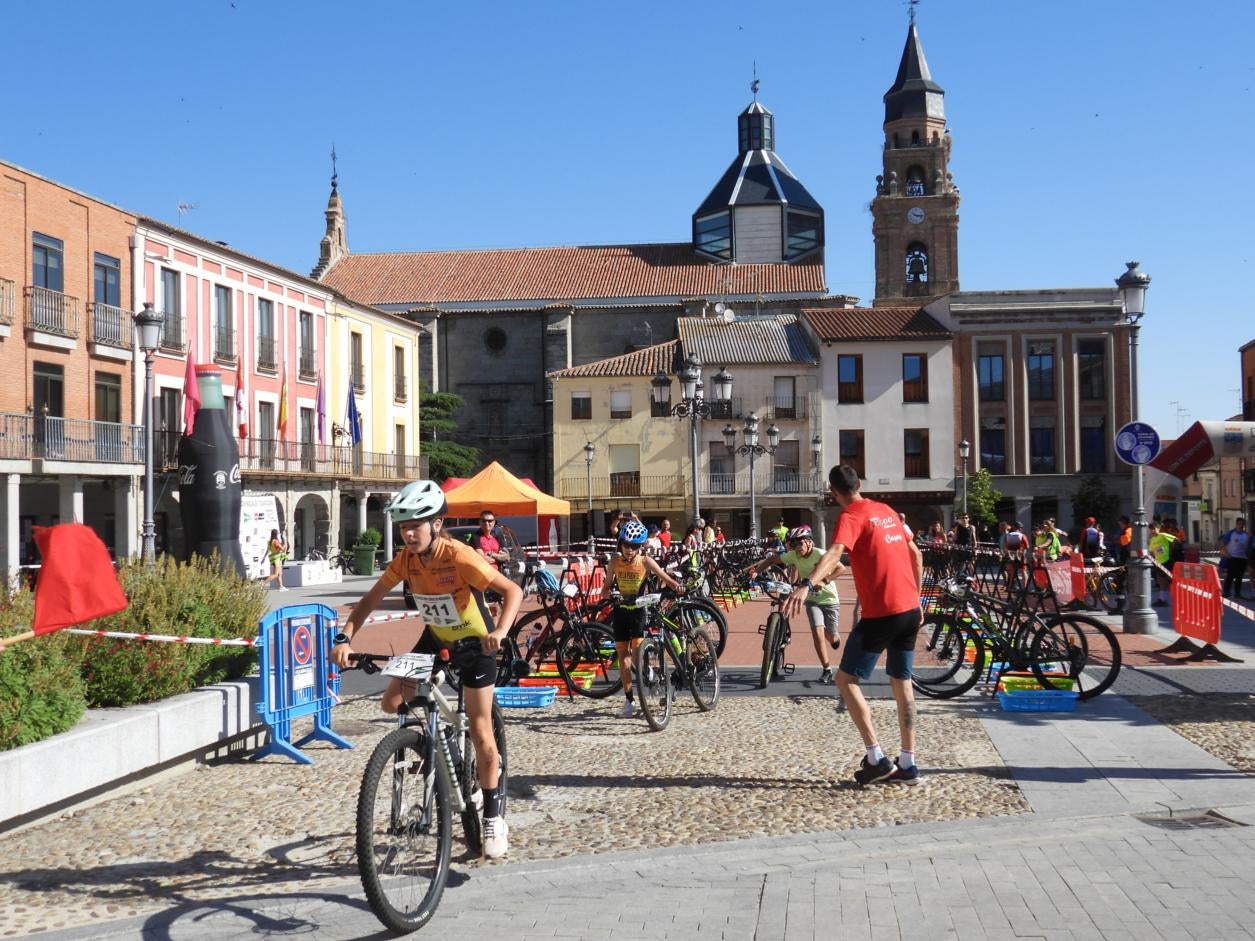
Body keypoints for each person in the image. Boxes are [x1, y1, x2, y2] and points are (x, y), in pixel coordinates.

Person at [330, 480, 523, 859]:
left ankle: (494, 813)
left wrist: (500, 631)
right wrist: (344, 637)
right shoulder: (406, 559)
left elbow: (512, 591)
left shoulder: (460, 555)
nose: (409, 533)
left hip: (476, 642)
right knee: (391, 702)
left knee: (482, 730)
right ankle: (441, 741)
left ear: (437, 523)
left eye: (416, 524)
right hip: (435, 638)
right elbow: (369, 600)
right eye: (403, 526)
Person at [783, 465, 925, 788]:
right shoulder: (887, 511)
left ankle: (876, 758)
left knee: (846, 680)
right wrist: (917, 601)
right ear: (859, 484)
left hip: (881, 613)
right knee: (902, 683)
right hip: (909, 610)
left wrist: (806, 583)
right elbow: (915, 555)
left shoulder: (852, 517)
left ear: (834, 493)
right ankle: (909, 763)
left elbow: (835, 553)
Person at [600, 520, 682, 717]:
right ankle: (629, 701)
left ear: (640, 547)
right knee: (623, 658)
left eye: (634, 546)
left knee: (637, 651)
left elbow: (666, 578)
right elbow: (604, 590)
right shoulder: (614, 562)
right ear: (620, 543)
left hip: (638, 611)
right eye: (626, 545)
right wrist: (610, 594)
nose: (629, 550)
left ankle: (649, 672)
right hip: (620, 611)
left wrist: (677, 587)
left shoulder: (645, 561)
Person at [747, 525, 844, 683]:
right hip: (812, 600)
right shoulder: (794, 556)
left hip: (829, 600)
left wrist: (825, 580)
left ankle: (833, 637)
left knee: (831, 636)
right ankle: (827, 669)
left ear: (809, 542)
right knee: (817, 632)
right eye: (794, 544)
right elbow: (772, 559)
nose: (797, 548)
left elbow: (841, 568)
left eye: (800, 544)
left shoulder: (821, 554)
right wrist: (758, 570)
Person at [1219, 517, 1250, 600]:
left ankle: (1237, 593)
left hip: (1243, 559)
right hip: (1232, 558)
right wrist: (1226, 554)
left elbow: (1248, 546)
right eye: (1239, 524)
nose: (1241, 525)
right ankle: (1225, 592)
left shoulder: (1246, 535)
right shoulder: (1231, 533)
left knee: (1239, 577)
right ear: (1236, 524)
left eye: (1242, 524)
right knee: (1230, 576)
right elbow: (1222, 543)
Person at [1148, 521, 1177, 607]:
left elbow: (1175, 539)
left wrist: (1171, 548)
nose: (1152, 531)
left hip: (1166, 560)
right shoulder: (1152, 540)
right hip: (1158, 563)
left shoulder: (1163, 535)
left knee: (1165, 581)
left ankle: (1164, 599)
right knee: (1161, 581)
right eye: (1151, 529)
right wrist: (1153, 559)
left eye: (1154, 529)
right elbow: (1151, 551)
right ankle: (1162, 599)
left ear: (1158, 528)